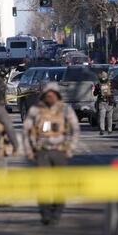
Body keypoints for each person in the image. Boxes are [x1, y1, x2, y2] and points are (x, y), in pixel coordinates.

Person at [23, 82, 80, 226]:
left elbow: (75, 129)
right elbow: (26, 131)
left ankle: (56, 214)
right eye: (47, 94)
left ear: (57, 95)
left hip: (60, 151)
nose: (50, 97)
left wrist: (70, 149)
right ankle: (45, 214)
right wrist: (29, 151)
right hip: (42, 152)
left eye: (53, 94)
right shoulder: (35, 110)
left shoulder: (65, 110)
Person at [93, 71, 115, 135]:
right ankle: (109, 130)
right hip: (110, 102)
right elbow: (116, 89)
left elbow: (95, 94)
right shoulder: (111, 83)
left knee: (102, 117)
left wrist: (96, 89)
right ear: (107, 76)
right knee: (109, 117)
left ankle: (102, 129)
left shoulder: (98, 84)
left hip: (102, 102)